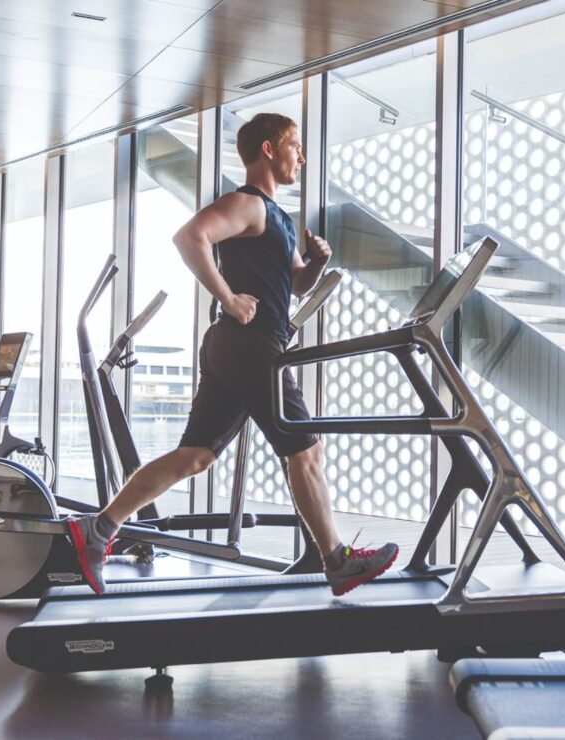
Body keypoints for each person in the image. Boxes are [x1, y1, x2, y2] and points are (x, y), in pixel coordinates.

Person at [66, 112, 398, 597]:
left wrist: (317, 264)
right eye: (295, 147)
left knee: (194, 457)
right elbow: (189, 237)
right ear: (268, 149)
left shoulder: (277, 218)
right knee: (306, 452)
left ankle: (97, 531)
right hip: (250, 345)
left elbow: (296, 284)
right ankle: (337, 560)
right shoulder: (249, 205)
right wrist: (227, 296)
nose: (301, 157)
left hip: (236, 348)